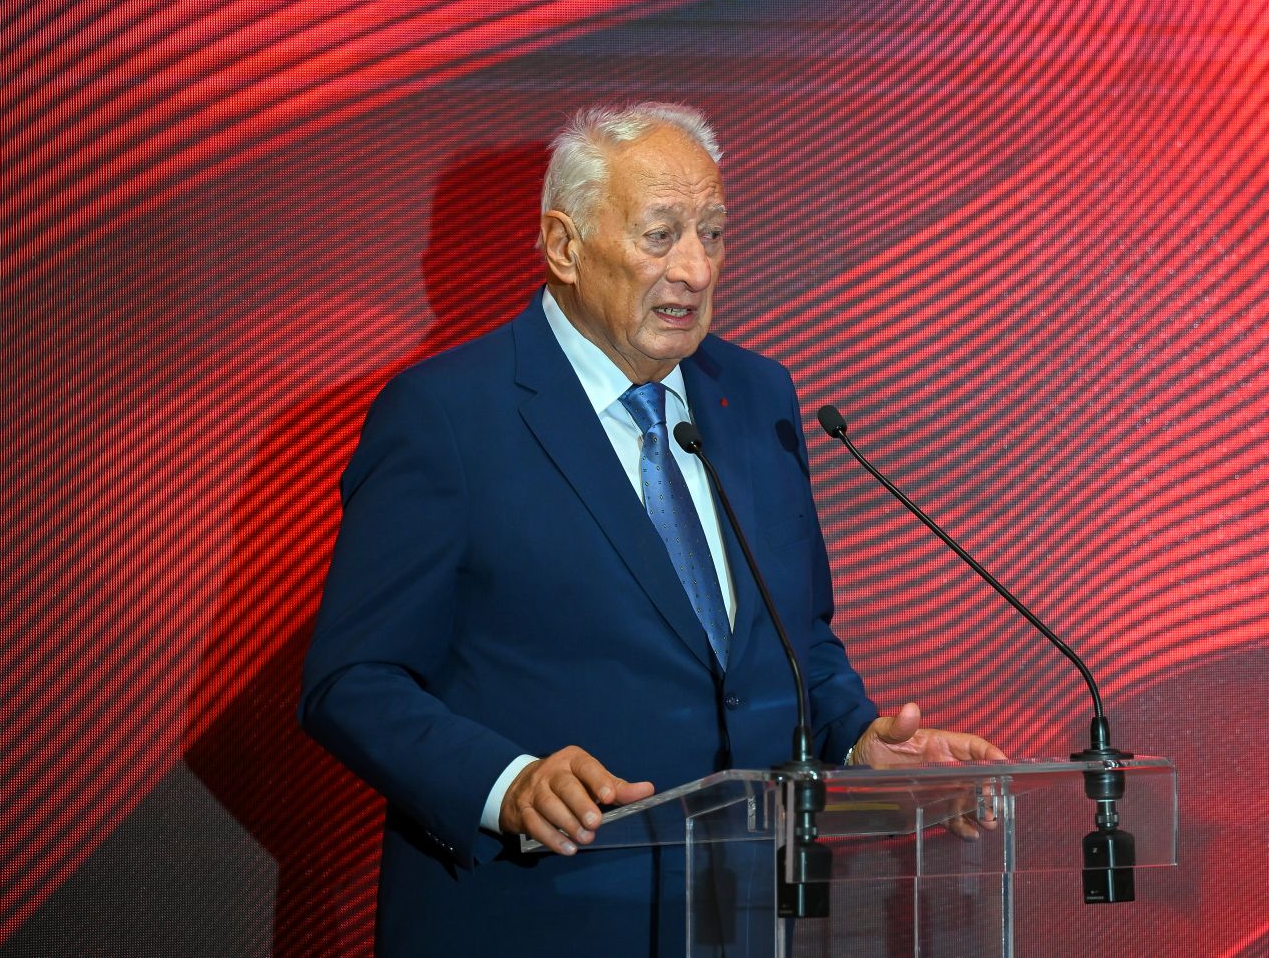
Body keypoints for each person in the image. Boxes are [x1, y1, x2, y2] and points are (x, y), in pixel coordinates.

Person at [301, 101, 1003, 953]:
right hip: (539, 915)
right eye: (661, 234)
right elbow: (353, 679)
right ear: (563, 245)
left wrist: (857, 740)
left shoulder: (757, 396)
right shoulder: (447, 415)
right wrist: (507, 783)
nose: (696, 269)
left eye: (713, 233)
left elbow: (793, 640)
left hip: (743, 917)